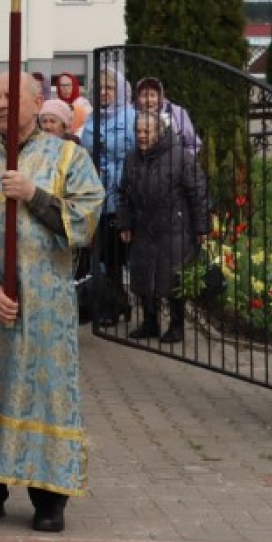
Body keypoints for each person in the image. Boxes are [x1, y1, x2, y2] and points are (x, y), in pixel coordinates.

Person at [0, 72, 104, 533]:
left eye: (11, 96)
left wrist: (33, 195)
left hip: (45, 311)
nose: (1, 105)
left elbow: (89, 217)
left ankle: (48, 499)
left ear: (38, 102)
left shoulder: (68, 157)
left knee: (43, 397)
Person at [117, 110, 209, 344]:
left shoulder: (181, 157)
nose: (141, 136)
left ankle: (176, 325)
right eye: (138, 131)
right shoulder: (131, 158)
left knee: (173, 276)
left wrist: (201, 228)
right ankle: (150, 322)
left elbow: (197, 193)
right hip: (144, 225)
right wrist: (125, 223)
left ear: (159, 132)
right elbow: (124, 194)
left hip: (175, 225)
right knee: (144, 274)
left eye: (146, 131)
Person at [80, 66, 136, 314]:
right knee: (106, 256)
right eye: (100, 88)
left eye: (109, 88)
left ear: (120, 90)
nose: (104, 92)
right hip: (99, 196)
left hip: (126, 196)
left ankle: (139, 305)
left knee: (126, 255)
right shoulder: (92, 120)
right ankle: (116, 304)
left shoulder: (132, 118)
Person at [134, 77, 199, 153]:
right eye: (144, 95)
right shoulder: (131, 114)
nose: (149, 100)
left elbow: (193, 144)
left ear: (161, 96)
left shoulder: (177, 112)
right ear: (138, 98)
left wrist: (183, 160)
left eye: (153, 95)